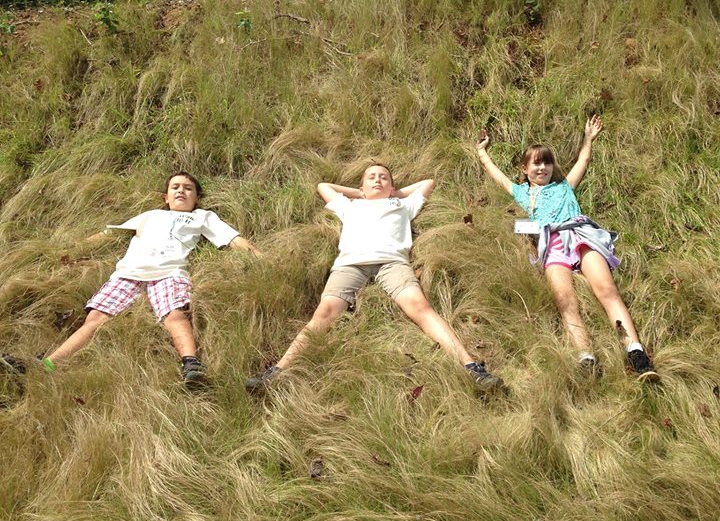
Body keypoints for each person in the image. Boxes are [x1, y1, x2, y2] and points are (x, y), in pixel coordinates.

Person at [245, 163, 504, 391]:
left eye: (384, 177)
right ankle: (276, 372)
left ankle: (471, 367)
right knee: (323, 313)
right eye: (371, 177)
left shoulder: (404, 205)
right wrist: (360, 193)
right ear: (361, 186)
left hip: (392, 263)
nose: (378, 179)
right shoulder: (349, 206)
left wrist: (393, 194)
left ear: (393, 187)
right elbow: (323, 186)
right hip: (350, 264)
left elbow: (428, 182)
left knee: (420, 307)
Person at [2, 172, 261, 387]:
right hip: (128, 273)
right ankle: (48, 365)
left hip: (169, 271)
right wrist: (72, 249)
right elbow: (110, 233)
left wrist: (258, 255)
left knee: (174, 315)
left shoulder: (202, 217)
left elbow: (230, 238)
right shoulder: (150, 215)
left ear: (197, 197)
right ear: (165, 197)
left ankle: (191, 364)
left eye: (188, 188)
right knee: (95, 319)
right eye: (175, 187)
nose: (181, 191)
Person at [475, 116, 659, 381]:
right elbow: (498, 176)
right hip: (552, 245)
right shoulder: (522, 193)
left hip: (580, 236)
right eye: (536, 163)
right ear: (525, 169)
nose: (542, 167)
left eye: (547, 162)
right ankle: (586, 357)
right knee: (565, 300)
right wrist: (482, 151)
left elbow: (583, 161)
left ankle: (636, 351)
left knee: (606, 289)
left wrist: (588, 139)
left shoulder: (565, 187)